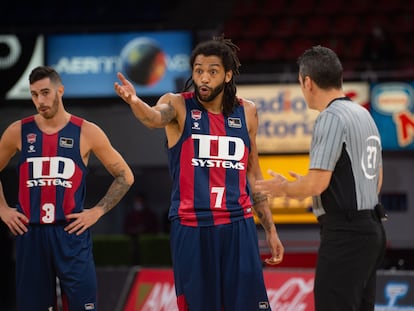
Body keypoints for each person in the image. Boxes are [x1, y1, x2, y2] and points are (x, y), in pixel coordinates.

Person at [114, 35, 284, 311]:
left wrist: (271, 229)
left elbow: (253, 174)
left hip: (238, 225)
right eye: (198, 71)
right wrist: (135, 102)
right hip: (192, 227)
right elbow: (153, 118)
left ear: (228, 75)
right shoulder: (178, 105)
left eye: (212, 72)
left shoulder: (248, 112)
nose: (204, 78)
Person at [256, 45, 387, 311]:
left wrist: (284, 188)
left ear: (307, 82)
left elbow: (317, 184)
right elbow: (376, 179)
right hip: (372, 229)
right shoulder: (364, 114)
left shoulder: (330, 117)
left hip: (346, 234)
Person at [0, 66, 134, 311]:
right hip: (31, 234)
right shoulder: (18, 131)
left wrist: (97, 211)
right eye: (34, 94)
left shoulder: (87, 131)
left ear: (60, 91)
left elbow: (125, 176)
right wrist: (2, 209)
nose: (40, 100)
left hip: (70, 233)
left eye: (45, 92)